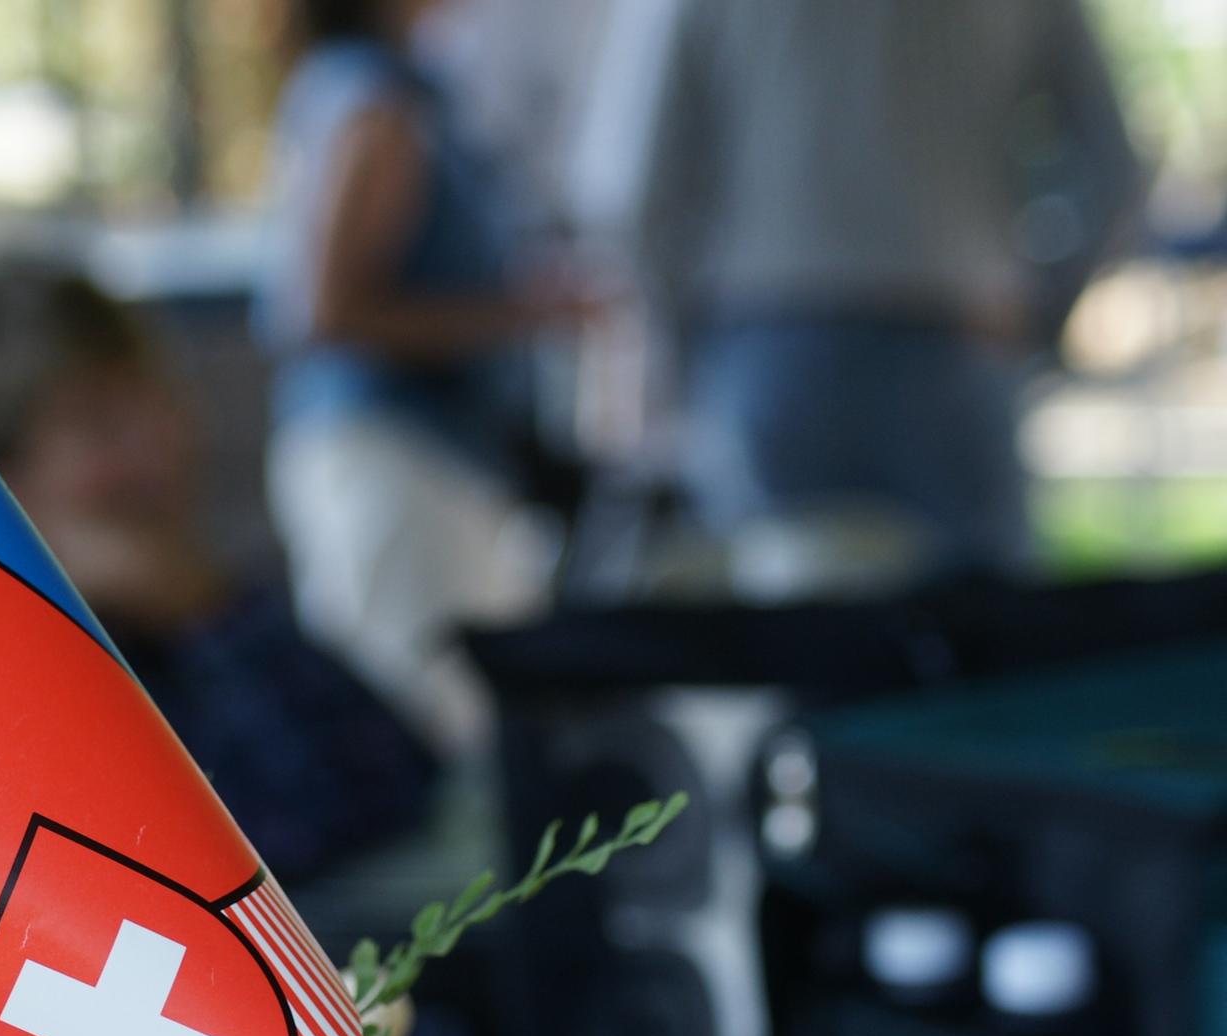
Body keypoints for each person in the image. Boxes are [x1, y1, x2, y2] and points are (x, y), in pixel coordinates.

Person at [0, 260, 437, 888]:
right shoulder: (6, 691)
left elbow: (406, 776)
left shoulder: (184, 609)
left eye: (156, 401)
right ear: (0, 478)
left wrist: (203, 609)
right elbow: (294, 840)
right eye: (98, 426)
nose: (155, 445)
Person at [592, 0, 1143, 581]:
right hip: (962, 330)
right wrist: (1039, 317)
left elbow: (636, 201)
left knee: (789, 628)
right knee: (981, 637)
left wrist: (689, 352)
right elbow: (1115, 172)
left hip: (770, 340)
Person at [254, 0, 586, 758]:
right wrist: (522, 316)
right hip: (393, 463)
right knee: (417, 741)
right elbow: (326, 309)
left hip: (415, 460)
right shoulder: (377, 102)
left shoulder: (376, 87)